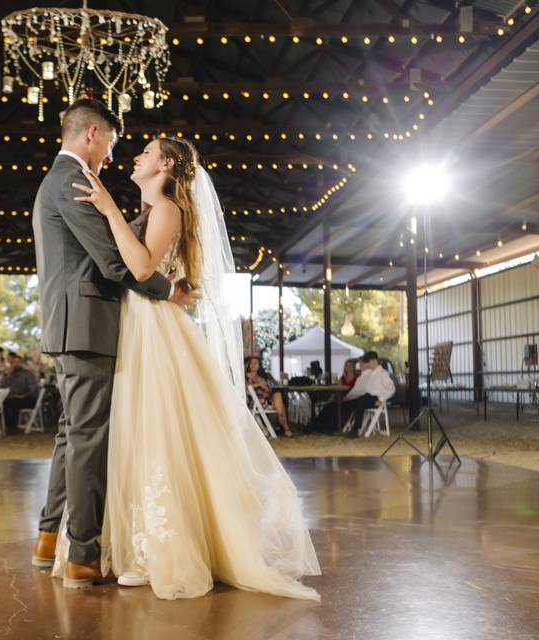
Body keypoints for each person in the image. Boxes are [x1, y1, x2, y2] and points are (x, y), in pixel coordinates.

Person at [55, 127, 320, 599]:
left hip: (156, 330)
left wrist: (106, 208)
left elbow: (140, 268)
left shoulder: (168, 209)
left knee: (157, 429)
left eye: (147, 153)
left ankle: (160, 548)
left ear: (167, 167)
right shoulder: (149, 210)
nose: (136, 157)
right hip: (137, 323)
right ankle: (135, 542)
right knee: (134, 431)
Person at [30, 99, 199, 590]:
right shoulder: (73, 180)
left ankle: (48, 537)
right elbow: (113, 261)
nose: (117, 151)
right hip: (85, 323)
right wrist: (169, 291)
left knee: (71, 432)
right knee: (86, 437)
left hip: (77, 323)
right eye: (113, 140)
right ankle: (82, 554)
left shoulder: (67, 179)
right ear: (93, 134)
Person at [342, 352, 396, 438]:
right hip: (367, 396)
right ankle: (343, 425)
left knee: (360, 402)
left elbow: (392, 389)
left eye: (368, 363)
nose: (367, 365)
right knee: (350, 403)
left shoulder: (383, 373)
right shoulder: (371, 373)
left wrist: (381, 399)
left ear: (374, 361)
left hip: (375, 398)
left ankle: (355, 429)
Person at [244, 356, 294, 437]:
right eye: (251, 363)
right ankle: (285, 427)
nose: (253, 365)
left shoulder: (263, 377)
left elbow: (269, 389)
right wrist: (259, 384)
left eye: (256, 363)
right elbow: (245, 386)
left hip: (266, 398)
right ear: (249, 365)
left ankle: (281, 417)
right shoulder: (246, 376)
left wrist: (266, 391)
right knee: (281, 405)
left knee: (278, 394)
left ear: (259, 365)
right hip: (256, 400)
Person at [1, 352, 40, 431]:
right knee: (4, 402)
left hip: (28, 398)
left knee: (13, 403)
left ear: (21, 363)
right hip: (15, 397)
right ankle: (7, 426)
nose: (15, 364)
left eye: (17, 362)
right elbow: (3, 386)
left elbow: (33, 389)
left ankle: (13, 427)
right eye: (14, 363)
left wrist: (23, 395)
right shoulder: (12, 375)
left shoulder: (28, 374)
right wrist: (5, 375)